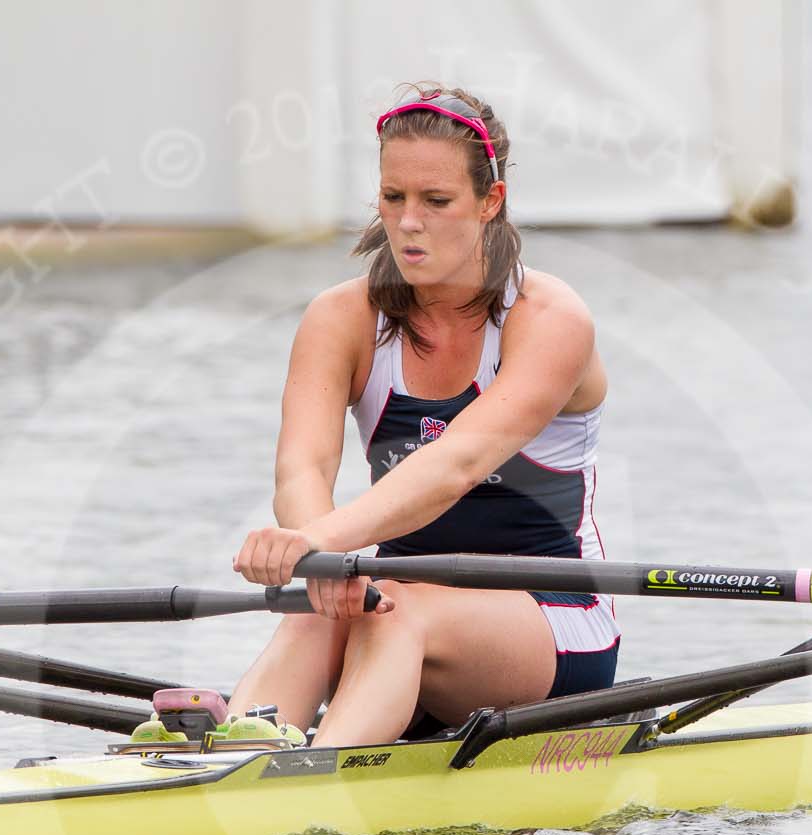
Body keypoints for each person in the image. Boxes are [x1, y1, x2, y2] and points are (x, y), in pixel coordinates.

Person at [226, 85, 616, 748]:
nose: (408, 223)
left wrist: (321, 543)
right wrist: (318, 556)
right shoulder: (340, 319)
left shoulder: (550, 320)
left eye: (436, 202)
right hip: (397, 598)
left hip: (552, 618)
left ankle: (308, 790)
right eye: (393, 197)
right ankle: (232, 756)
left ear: (490, 202)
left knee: (389, 611)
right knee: (321, 610)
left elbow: (455, 466)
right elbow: (303, 465)